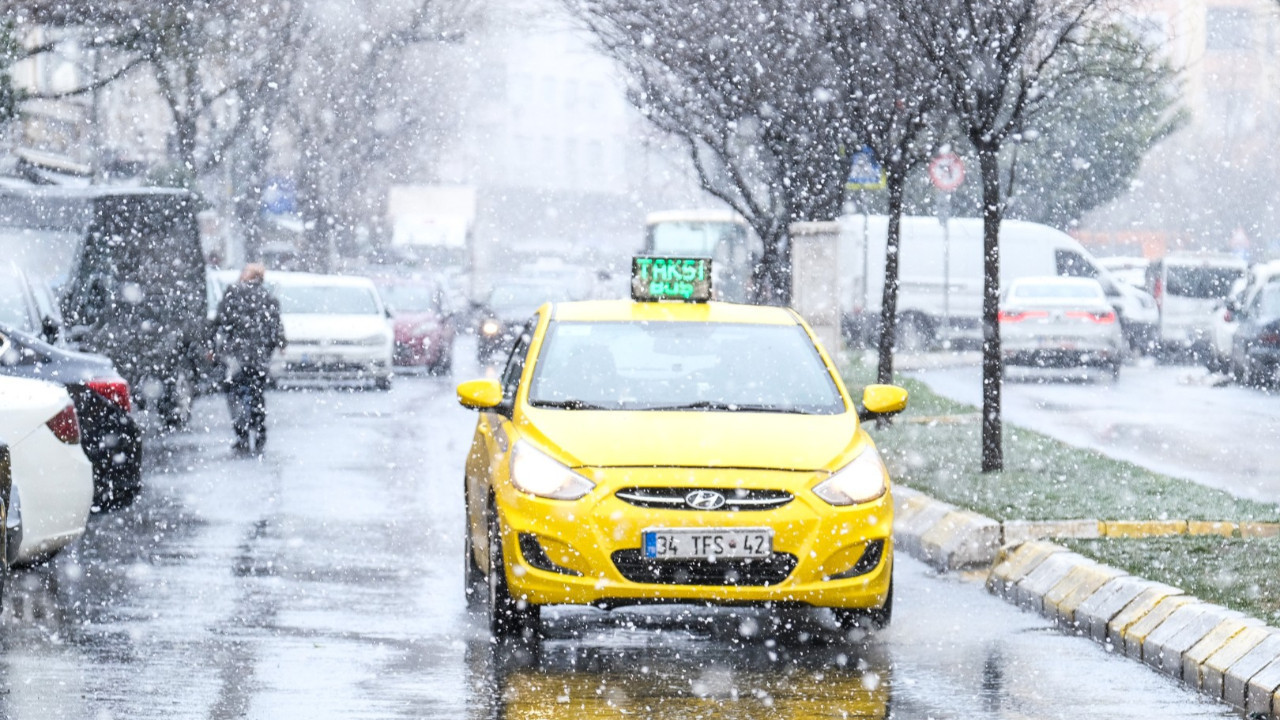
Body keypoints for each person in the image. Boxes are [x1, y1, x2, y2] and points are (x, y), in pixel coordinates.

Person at [214, 263, 285, 454]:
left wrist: (217, 346)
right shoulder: (268, 298)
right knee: (257, 393)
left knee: (235, 394)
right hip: (259, 356)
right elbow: (275, 326)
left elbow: (221, 321)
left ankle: (242, 434)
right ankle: (259, 430)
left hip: (237, 355)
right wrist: (278, 344)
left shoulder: (233, 294)